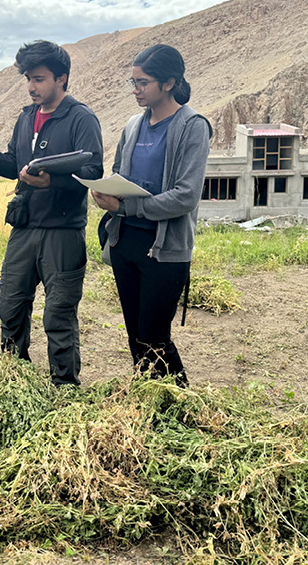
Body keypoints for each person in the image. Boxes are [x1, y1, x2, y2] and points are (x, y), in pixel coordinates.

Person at [0, 40, 103, 386]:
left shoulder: (81, 118)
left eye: (39, 79)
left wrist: (54, 181)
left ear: (61, 78)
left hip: (63, 231)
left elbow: (93, 173)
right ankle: (14, 380)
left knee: (59, 313)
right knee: (11, 306)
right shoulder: (26, 118)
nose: (31, 87)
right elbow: (14, 166)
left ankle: (64, 387)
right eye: (28, 79)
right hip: (23, 229)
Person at [91, 44, 212, 387]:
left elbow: (185, 196)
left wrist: (126, 206)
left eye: (142, 82)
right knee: (134, 334)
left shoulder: (192, 127)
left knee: (155, 336)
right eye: (133, 82)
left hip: (165, 250)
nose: (135, 90)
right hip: (125, 240)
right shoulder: (133, 125)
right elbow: (118, 172)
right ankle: (147, 398)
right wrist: (106, 191)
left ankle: (180, 402)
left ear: (170, 82)